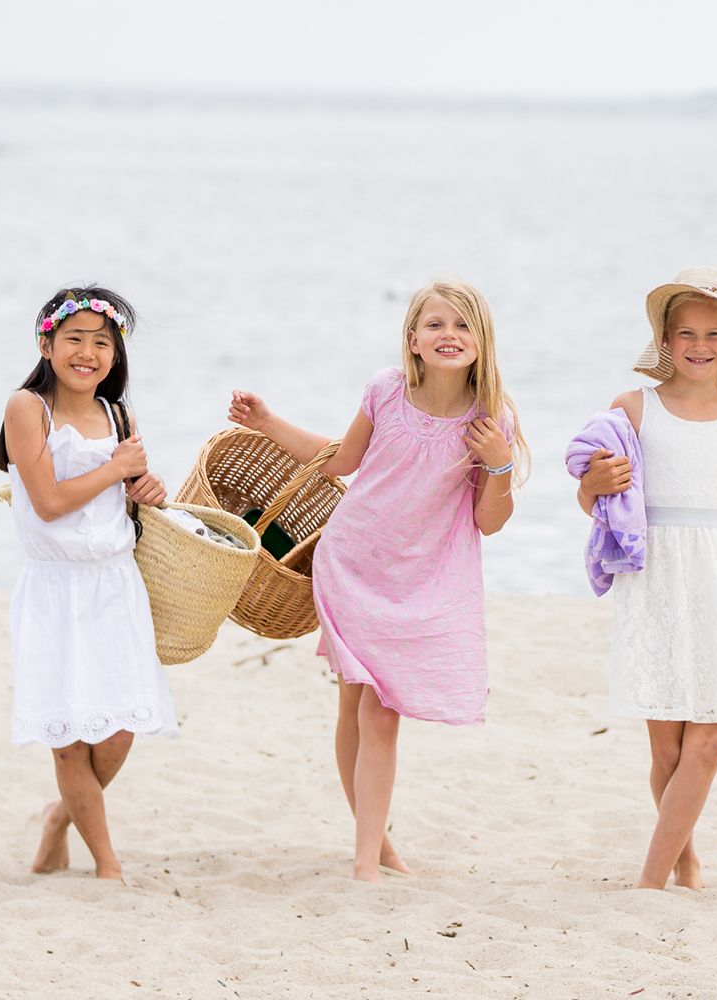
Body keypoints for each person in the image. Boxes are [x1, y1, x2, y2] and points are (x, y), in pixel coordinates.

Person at [228, 278, 528, 881]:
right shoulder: (386, 392)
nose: (450, 335)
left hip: (423, 580)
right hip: (355, 561)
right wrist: (267, 423)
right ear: (413, 338)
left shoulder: (490, 418)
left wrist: (499, 462)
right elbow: (340, 460)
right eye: (436, 324)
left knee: (375, 707)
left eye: (463, 324)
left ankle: (374, 843)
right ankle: (370, 857)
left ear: (482, 339)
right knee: (366, 707)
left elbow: (488, 521)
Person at [576, 266, 717, 890]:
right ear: (665, 341)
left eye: (713, 334)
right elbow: (597, 502)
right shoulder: (633, 410)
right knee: (667, 748)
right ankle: (686, 864)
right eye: (686, 332)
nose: (699, 345)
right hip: (656, 578)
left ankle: (650, 880)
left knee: (711, 740)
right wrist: (592, 486)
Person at [0, 285, 172, 882]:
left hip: (115, 586)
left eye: (103, 342)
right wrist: (116, 470)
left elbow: (129, 493)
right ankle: (108, 864)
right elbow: (46, 503)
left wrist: (145, 486)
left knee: (118, 731)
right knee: (69, 736)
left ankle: (59, 818)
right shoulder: (27, 408)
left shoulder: (117, 414)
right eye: (75, 339)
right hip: (55, 588)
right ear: (47, 343)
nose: (88, 353)